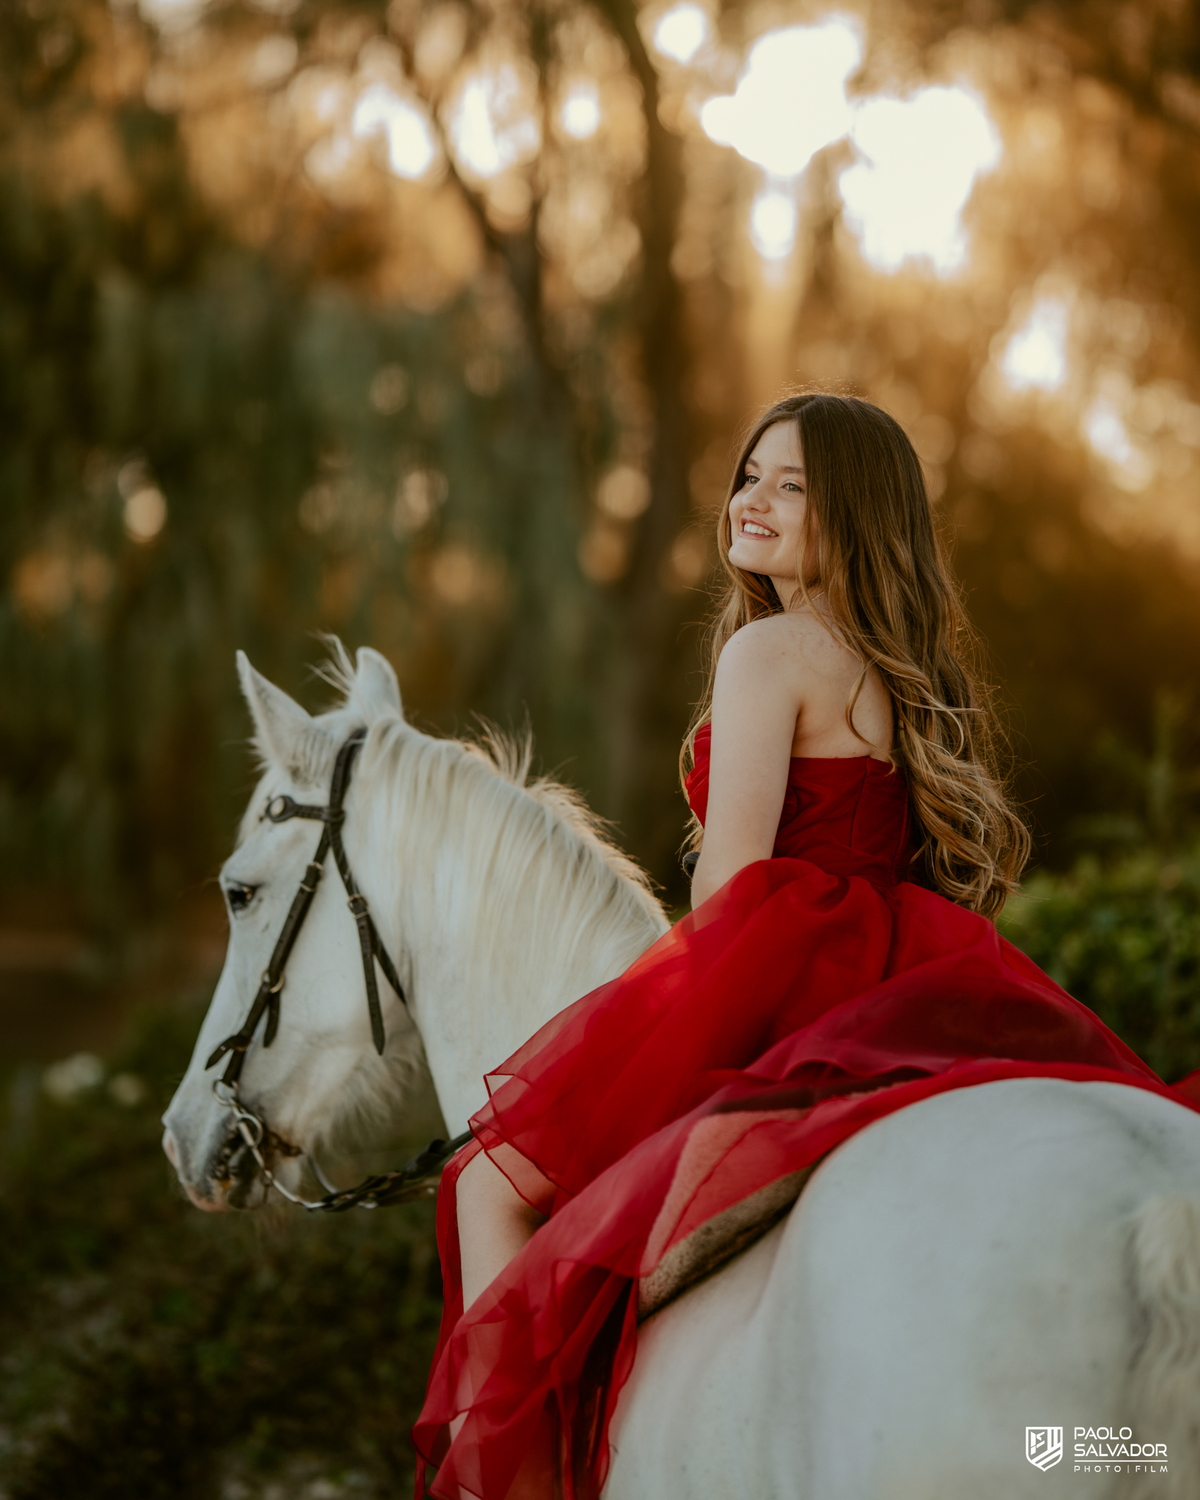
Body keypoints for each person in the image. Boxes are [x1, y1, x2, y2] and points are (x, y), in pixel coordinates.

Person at [413, 392, 1199, 1500]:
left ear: (854, 517)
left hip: (781, 956)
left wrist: (660, 1006)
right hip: (902, 958)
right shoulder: (895, 660)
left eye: (793, 487)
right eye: (750, 475)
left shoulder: (766, 652)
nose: (755, 501)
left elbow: (732, 879)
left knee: (487, 1181)